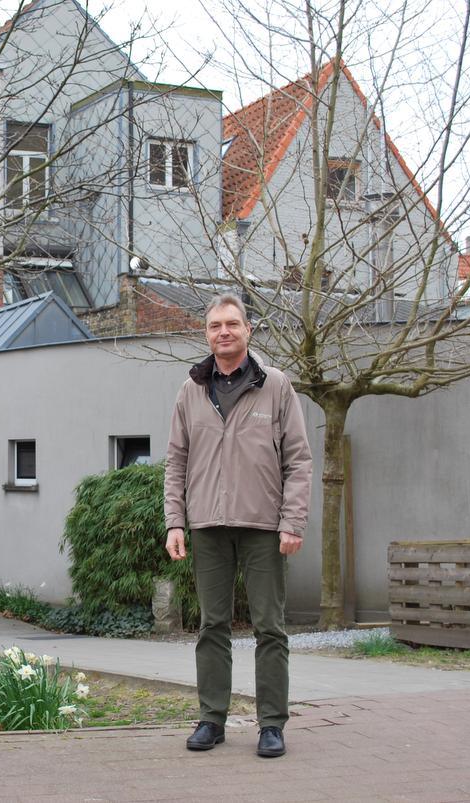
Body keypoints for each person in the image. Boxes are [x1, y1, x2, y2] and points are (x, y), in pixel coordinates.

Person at [163, 293, 312, 759]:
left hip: (264, 527)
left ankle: (271, 724)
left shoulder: (276, 386)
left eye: (232, 324)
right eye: (214, 326)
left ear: (249, 329)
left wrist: (292, 521)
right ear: (206, 334)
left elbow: (299, 460)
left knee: (270, 627)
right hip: (207, 525)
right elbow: (176, 461)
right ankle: (211, 719)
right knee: (212, 625)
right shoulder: (191, 390)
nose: (223, 332)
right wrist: (175, 522)